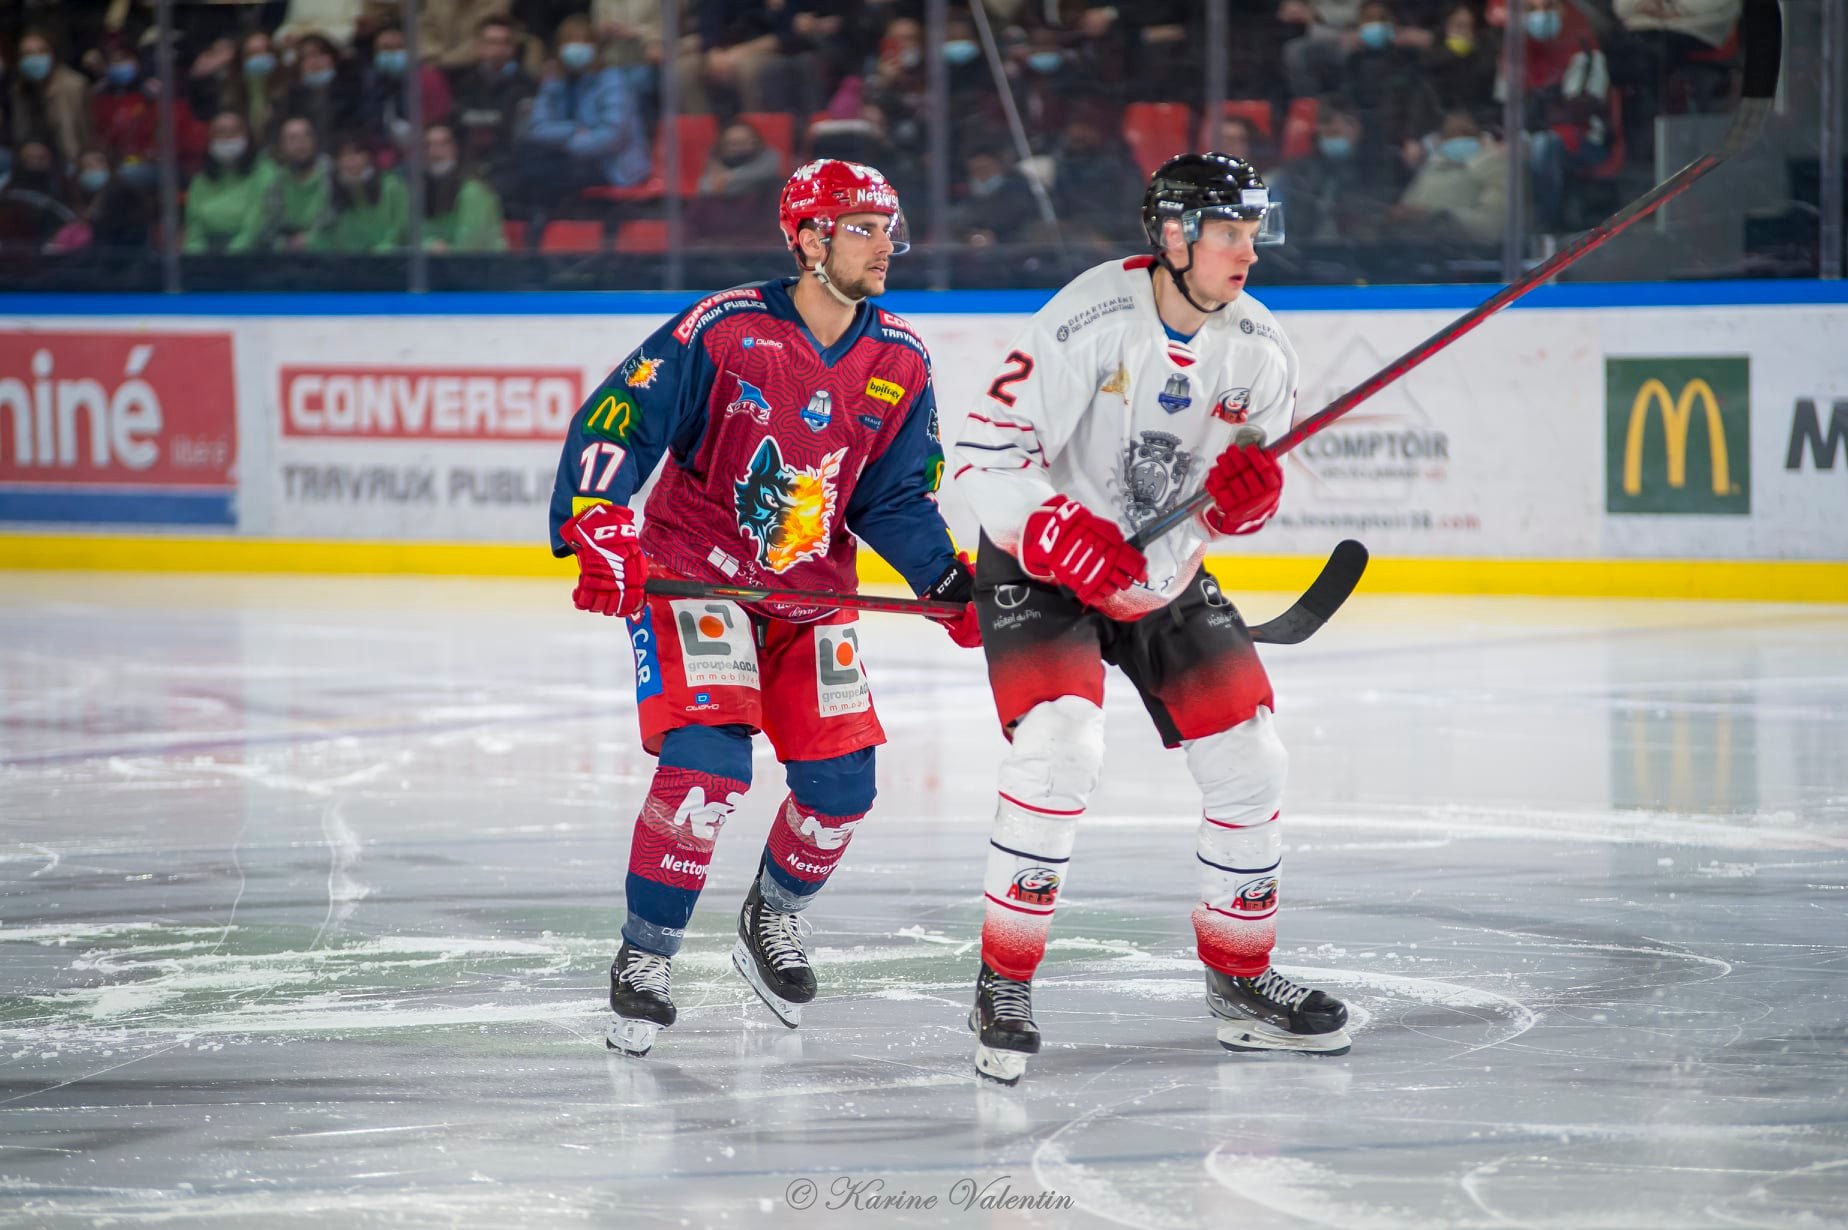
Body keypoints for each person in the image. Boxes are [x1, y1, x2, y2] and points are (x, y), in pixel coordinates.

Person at [546, 159, 982, 1058]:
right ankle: (646, 955)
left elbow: (895, 498)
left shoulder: (900, 357)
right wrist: (597, 520)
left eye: (889, 228)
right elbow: (616, 421)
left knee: (843, 786)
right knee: (707, 764)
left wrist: (946, 582)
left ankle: (771, 915)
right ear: (809, 239)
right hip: (695, 577)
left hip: (810, 598)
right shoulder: (724, 328)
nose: (885, 247)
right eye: (863, 228)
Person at [952, 153, 1351, 1085]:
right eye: (1229, 233)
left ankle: (1241, 981)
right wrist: (1055, 528)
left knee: (1252, 757)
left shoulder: (1260, 348)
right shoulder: (1087, 319)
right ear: (1173, 236)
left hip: (1159, 579)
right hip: (1046, 567)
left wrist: (1245, 506)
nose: (1248, 251)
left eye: (1253, 232)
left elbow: (1232, 491)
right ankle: (1003, 981)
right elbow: (984, 455)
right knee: (1060, 746)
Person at [313, 133, 407, 251]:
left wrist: (382, 250)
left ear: (368, 156)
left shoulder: (392, 185)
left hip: (385, 257)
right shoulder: (328, 188)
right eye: (344, 155)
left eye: (357, 153)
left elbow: (401, 226)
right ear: (336, 161)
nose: (351, 159)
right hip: (342, 258)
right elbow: (322, 231)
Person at [421, 122, 506, 251]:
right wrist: (429, 245)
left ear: (456, 148)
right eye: (428, 146)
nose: (434, 152)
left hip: (481, 261)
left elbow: (472, 242)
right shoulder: (423, 189)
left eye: (443, 144)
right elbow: (415, 234)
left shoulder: (473, 191)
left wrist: (445, 250)